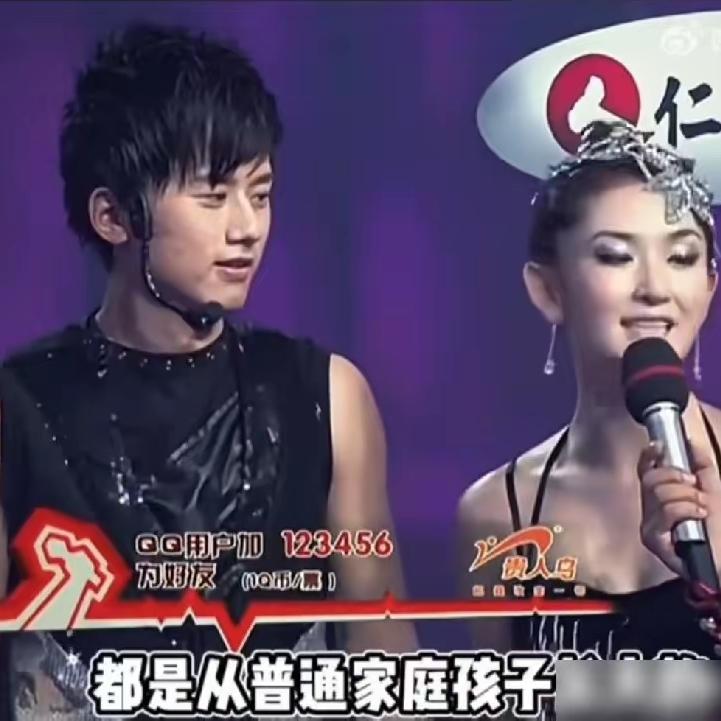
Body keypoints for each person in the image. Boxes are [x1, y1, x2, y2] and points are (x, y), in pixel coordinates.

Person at [0, 22, 417, 719]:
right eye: (214, 194)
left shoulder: (325, 398)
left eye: (261, 193)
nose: (247, 226)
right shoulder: (20, 407)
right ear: (113, 216)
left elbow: (390, 669)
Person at [457, 120, 721, 663]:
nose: (655, 289)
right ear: (548, 289)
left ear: (709, 286)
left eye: (681, 257)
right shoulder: (499, 511)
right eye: (616, 256)